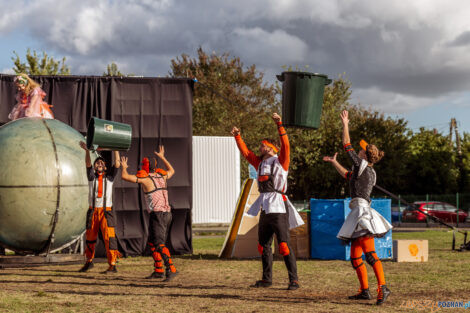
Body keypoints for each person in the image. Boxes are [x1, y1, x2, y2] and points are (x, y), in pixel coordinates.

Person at [323, 110, 392, 305]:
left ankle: (383, 288)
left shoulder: (362, 165)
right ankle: (364, 291)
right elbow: (347, 175)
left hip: (361, 213)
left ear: (363, 155)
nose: (357, 153)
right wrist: (335, 162)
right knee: (355, 257)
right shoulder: (365, 170)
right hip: (357, 212)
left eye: (360, 151)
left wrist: (345, 123)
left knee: (370, 255)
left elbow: (347, 145)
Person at [231, 113, 304, 291]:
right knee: (262, 246)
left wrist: (279, 123)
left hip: (279, 207)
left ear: (271, 148)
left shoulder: (281, 161)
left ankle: (293, 280)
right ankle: (266, 279)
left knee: (284, 246)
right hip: (265, 208)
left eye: (263, 145)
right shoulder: (259, 163)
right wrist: (237, 136)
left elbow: (286, 144)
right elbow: (246, 153)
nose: (260, 147)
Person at [120, 146, 178, 282]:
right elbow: (172, 171)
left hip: (158, 214)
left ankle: (172, 268)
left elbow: (124, 176)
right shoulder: (162, 176)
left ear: (145, 167)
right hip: (167, 214)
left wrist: (124, 167)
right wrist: (162, 157)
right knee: (152, 243)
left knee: (159, 243)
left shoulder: (146, 179)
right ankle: (158, 270)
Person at [78, 142, 121, 273]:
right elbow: (88, 165)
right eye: (97, 163)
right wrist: (87, 151)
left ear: (106, 166)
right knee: (90, 239)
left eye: (102, 163)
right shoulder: (92, 177)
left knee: (109, 238)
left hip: (106, 212)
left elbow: (117, 164)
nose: (100, 164)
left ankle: (112, 264)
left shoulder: (110, 178)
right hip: (93, 212)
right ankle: (89, 261)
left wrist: (115, 148)